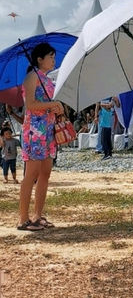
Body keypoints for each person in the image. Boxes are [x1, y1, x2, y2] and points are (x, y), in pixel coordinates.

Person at [18, 41, 66, 231]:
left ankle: (38, 215)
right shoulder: (32, 77)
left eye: (54, 57)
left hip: (47, 130)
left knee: (45, 172)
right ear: (40, 59)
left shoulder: (47, 79)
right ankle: (23, 218)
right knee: (32, 173)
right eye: (50, 57)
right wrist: (51, 105)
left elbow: (47, 102)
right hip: (34, 130)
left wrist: (57, 106)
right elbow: (30, 105)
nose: (53, 60)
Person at [95, 95, 120, 161]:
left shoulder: (110, 102)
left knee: (105, 139)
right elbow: (101, 105)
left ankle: (106, 154)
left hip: (106, 124)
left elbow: (108, 106)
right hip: (105, 123)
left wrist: (102, 104)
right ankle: (109, 153)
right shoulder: (106, 108)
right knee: (106, 139)